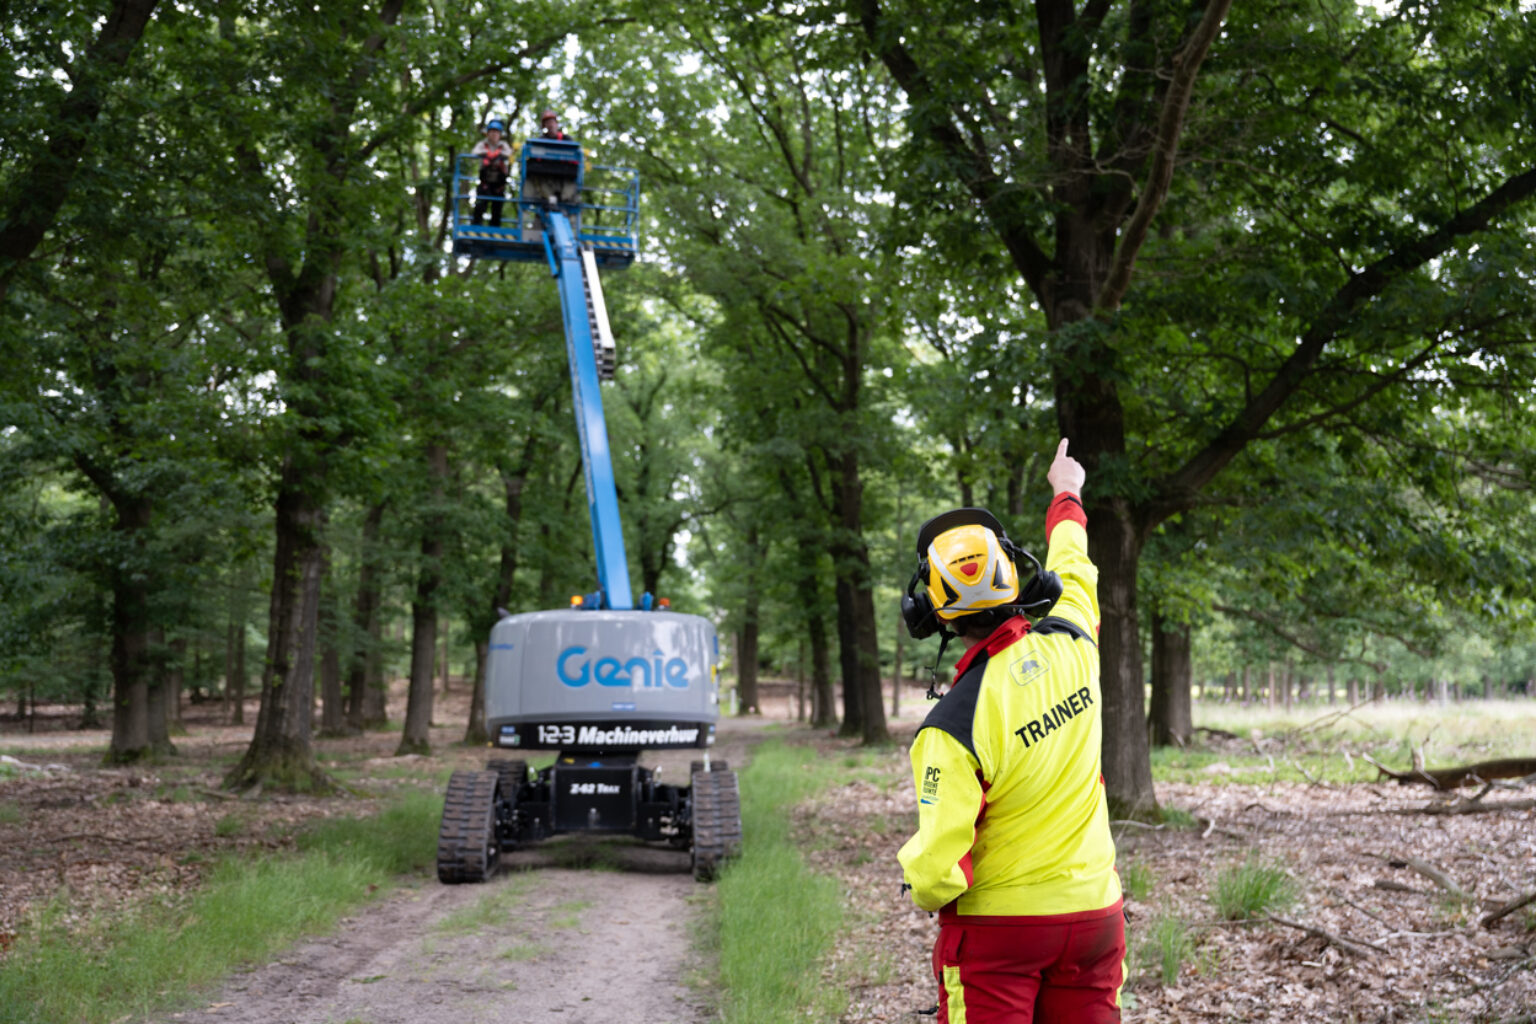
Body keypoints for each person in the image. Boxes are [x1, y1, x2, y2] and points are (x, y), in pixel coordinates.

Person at [897, 438, 1124, 1023]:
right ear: (1019, 577)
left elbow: (939, 871)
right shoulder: (1076, 639)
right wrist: (1066, 492)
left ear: (932, 616)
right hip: (1096, 916)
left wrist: (917, 877)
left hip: (1001, 936)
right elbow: (1075, 564)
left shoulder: (949, 729)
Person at [471, 119, 513, 227]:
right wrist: (486, 153)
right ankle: (476, 226)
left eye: (497, 132)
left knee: (497, 209)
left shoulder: (503, 145)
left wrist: (498, 155)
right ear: (487, 133)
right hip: (485, 183)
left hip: (499, 185)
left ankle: (494, 228)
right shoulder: (482, 144)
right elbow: (474, 152)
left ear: (500, 134)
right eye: (492, 131)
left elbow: (509, 154)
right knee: (480, 206)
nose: (494, 134)